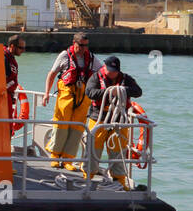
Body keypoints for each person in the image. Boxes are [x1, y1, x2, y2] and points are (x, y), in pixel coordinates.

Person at [83, 56, 143, 189]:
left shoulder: (126, 79)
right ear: (104, 67)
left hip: (119, 121)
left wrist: (123, 90)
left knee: (118, 151)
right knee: (93, 149)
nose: (112, 73)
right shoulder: (95, 78)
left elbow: (138, 92)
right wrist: (108, 92)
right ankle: (87, 176)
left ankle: (119, 180)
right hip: (98, 119)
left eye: (115, 71)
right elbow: (90, 92)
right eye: (110, 70)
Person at [43, 32, 99, 169]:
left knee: (77, 127)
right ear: (74, 43)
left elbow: (102, 72)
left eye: (86, 45)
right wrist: (46, 93)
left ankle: (68, 159)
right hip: (66, 95)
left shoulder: (92, 58)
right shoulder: (64, 56)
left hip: (83, 97)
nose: (84, 48)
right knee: (61, 123)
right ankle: (55, 156)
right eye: (81, 45)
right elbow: (52, 74)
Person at [3, 32, 25, 116]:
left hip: (8, 96)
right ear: (12, 46)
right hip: (3, 97)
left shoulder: (11, 59)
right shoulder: (4, 58)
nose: (23, 50)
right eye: (21, 48)